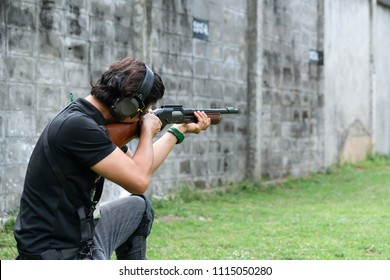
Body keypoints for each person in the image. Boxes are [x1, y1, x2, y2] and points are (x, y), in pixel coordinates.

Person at [14, 57, 211, 260]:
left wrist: (178, 131)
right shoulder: (78, 127)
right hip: (56, 255)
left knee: (139, 208)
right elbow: (139, 181)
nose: (147, 114)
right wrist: (146, 131)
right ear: (128, 106)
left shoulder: (89, 121)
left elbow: (139, 167)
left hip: (80, 237)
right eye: (144, 110)